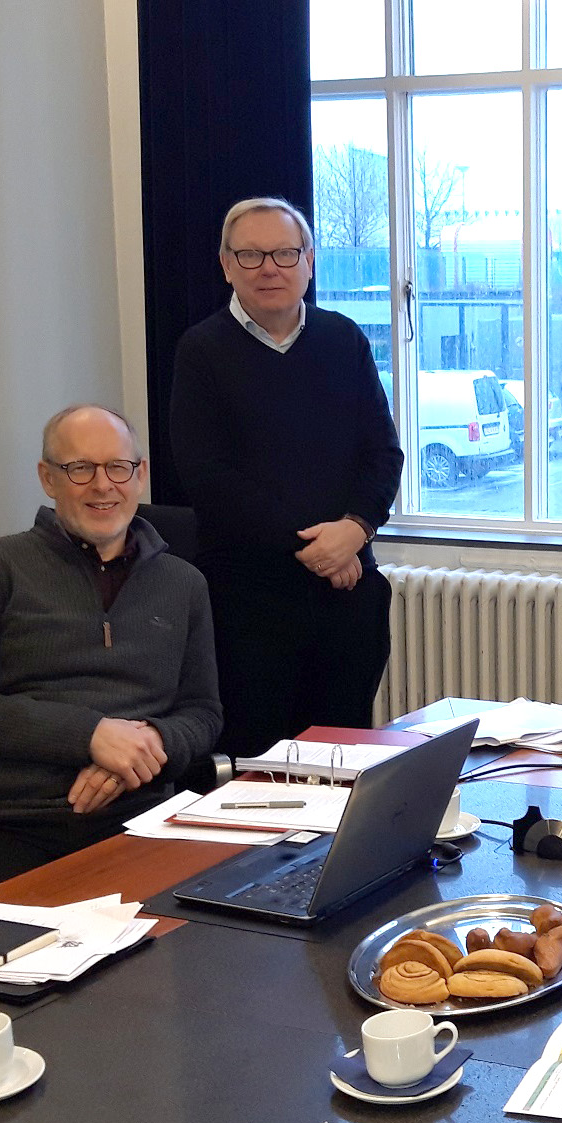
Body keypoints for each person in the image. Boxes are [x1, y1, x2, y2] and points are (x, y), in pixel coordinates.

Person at [0, 404, 222, 897]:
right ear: (47, 478)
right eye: (80, 468)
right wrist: (90, 736)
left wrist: (144, 746)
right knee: (1, 966)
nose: (103, 485)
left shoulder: (184, 584)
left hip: (137, 814)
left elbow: (202, 713)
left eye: (118, 467)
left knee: (212, 937)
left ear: (139, 476)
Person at [168, 196, 404, 757]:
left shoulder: (343, 340)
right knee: (260, 773)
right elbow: (208, 477)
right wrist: (318, 548)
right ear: (226, 265)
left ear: (310, 261)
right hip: (249, 603)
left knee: (345, 763)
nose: (269, 267)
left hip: (346, 595)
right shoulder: (201, 350)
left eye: (284, 252)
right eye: (250, 255)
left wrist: (356, 529)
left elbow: (382, 452)